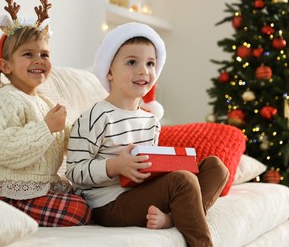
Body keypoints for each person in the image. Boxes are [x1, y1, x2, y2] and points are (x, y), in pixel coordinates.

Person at [65, 22, 229, 246]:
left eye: (150, 63)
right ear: (110, 71)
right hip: (107, 204)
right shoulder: (95, 117)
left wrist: (166, 165)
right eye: (132, 62)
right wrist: (115, 166)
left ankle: (173, 218)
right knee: (183, 181)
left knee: (215, 167)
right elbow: (74, 171)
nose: (143, 70)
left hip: (141, 193)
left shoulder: (151, 120)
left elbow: (150, 169)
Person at [0, 0, 91, 227]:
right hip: (14, 195)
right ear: (6, 66)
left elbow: (64, 141)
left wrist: (86, 133)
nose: (39, 60)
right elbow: (5, 149)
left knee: (92, 197)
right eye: (28, 54)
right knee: (80, 210)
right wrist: (46, 128)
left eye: (44, 54)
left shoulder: (45, 102)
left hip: (42, 189)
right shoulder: (5, 99)